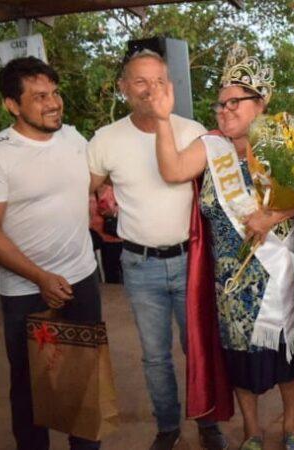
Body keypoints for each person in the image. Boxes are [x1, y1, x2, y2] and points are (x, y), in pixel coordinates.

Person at [148, 45, 294, 450]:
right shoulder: (211, 147)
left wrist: (270, 217)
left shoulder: (283, 140)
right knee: (240, 361)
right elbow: (171, 170)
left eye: (233, 102)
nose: (223, 111)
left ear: (260, 104)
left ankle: (292, 429)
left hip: (277, 270)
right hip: (231, 282)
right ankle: (252, 432)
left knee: (287, 355)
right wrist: (163, 118)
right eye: (219, 104)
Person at [87, 50, 226, 450]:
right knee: (154, 357)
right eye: (141, 82)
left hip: (191, 261)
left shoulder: (192, 131)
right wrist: (95, 214)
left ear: (172, 86)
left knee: (200, 349)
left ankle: (208, 423)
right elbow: (87, 184)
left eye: (160, 81)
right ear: (123, 87)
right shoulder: (106, 139)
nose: (151, 91)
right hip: (139, 264)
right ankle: (167, 427)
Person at [0, 56, 102, 450]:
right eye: (39, 96)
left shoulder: (74, 139)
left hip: (81, 281)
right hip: (27, 292)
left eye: (55, 93)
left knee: (85, 380)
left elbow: (96, 181)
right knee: (30, 388)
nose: (53, 102)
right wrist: (41, 277)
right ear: (12, 104)